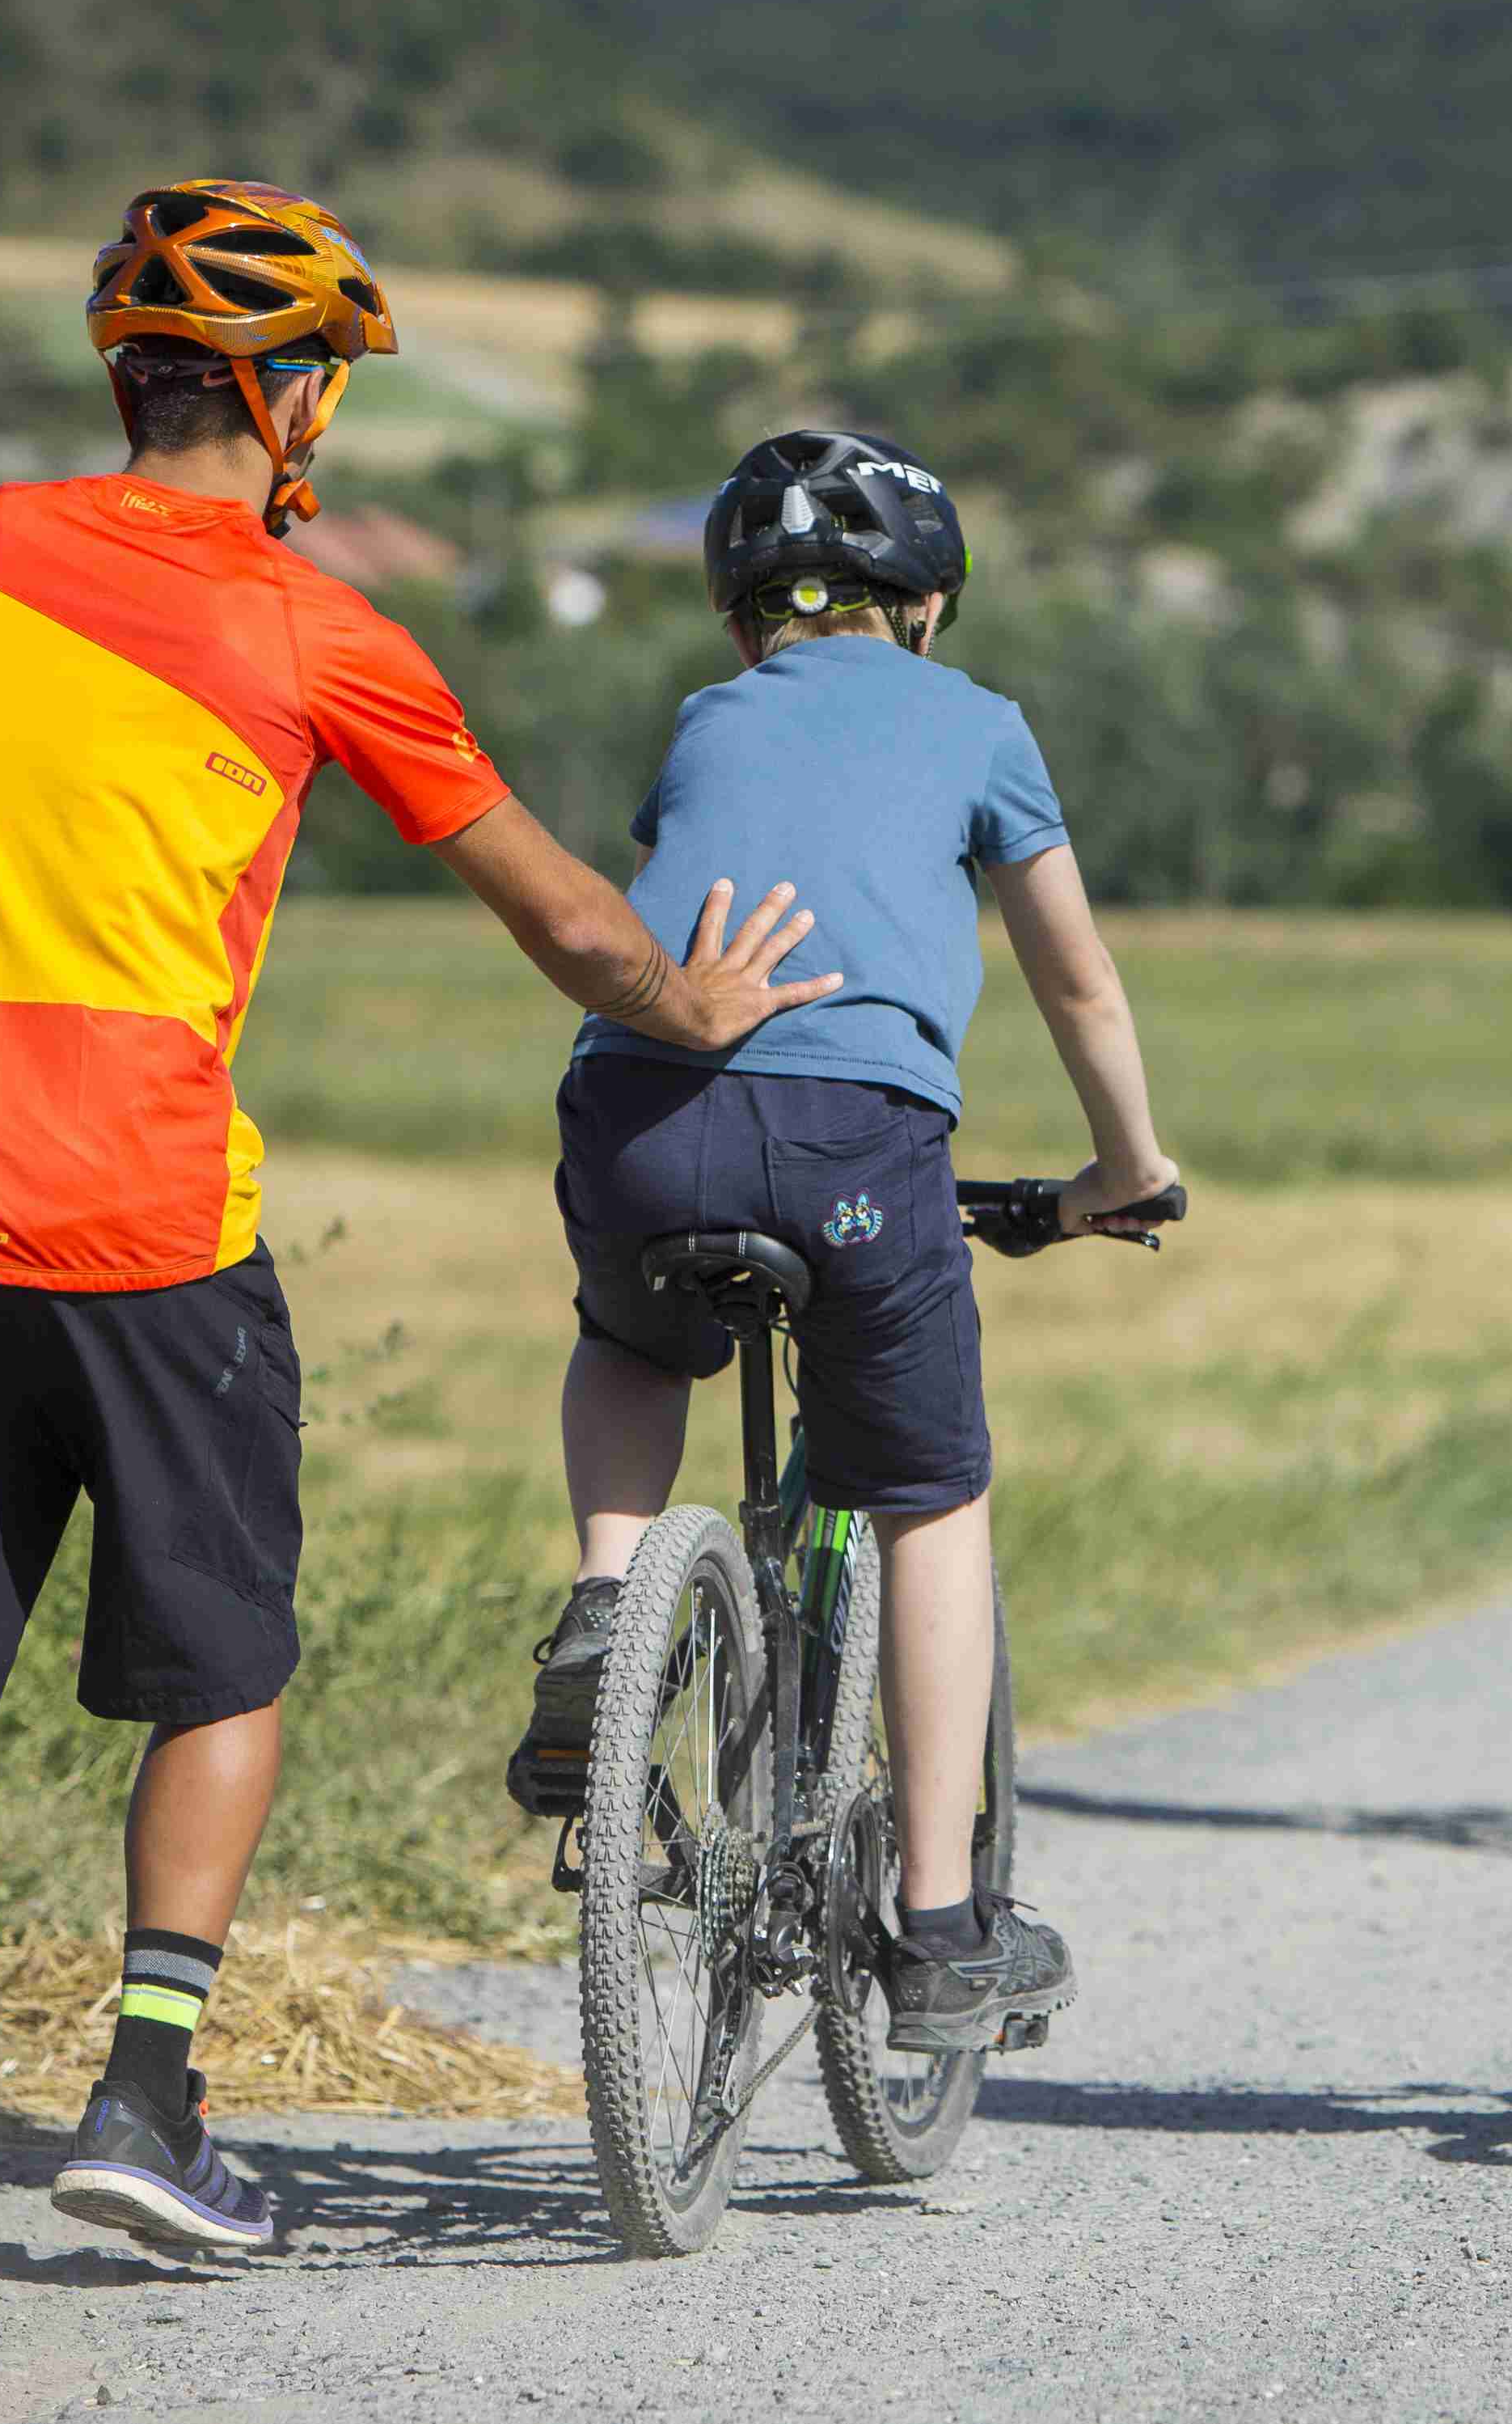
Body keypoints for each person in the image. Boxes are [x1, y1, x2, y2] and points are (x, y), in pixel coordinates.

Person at [0, 182, 838, 2295]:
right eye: (329, 390)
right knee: (222, 1670)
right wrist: (694, 1003)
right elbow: (562, 912)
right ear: (286, 404)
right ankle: (150, 2100)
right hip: (150, 1240)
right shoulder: (320, 625)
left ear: (129, 376)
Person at [511, 429, 1177, 2054]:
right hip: (857, 1143)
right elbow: (1077, 979)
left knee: (628, 1338)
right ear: (928, 604)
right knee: (928, 1495)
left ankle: (610, 1604)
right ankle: (942, 1927)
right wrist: (1125, 1169)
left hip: (635, 1117)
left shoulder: (705, 717)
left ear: (746, 621)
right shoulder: (981, 724)